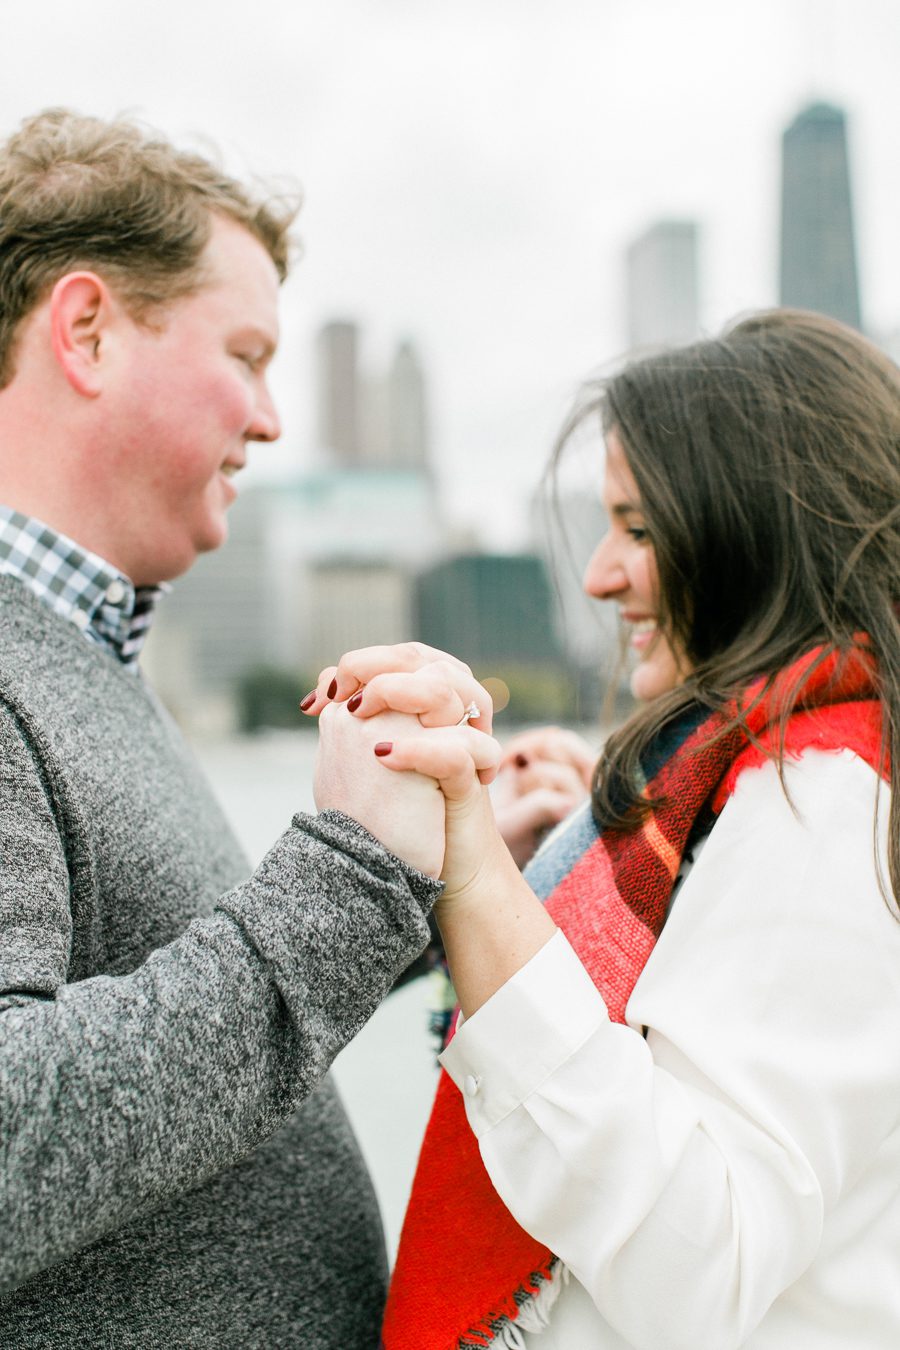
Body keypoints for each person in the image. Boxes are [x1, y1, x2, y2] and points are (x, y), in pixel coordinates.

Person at [311, 310, 900, 1348]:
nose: (597, 573)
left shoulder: (822, 799)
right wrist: (596, 863)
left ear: (748, 533)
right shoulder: (782, 784)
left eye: (637, 526)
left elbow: (698, 1264)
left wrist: (476, 871)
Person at [0, 107, 451, 1347]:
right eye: (245, 355)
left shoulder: (86, 648)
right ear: (86, 330)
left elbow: (175, 984)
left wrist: (413, 890)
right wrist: (350, 883)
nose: (270, 419)